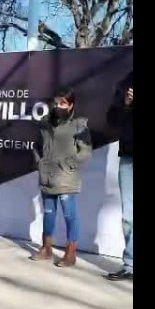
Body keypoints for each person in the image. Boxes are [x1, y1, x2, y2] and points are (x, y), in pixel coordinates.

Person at [30, 88, 93, 267]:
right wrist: (39, 163)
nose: (58, 106)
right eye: (56, 103)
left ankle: (70, 252)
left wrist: (68, 163)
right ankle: (46, 248)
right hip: (47, 177)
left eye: (63, 103)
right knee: (48, 214)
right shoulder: (44, 123)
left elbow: (86, 151)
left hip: (67, 178)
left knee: (69, 215)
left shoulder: (79, 125)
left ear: (71, 105)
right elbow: (36, 146)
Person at [105, 71, 133, 281]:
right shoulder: (125, 83)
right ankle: (130, 265)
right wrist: (126, 104)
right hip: (128, 156)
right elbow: (112, 120)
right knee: (128, 217)